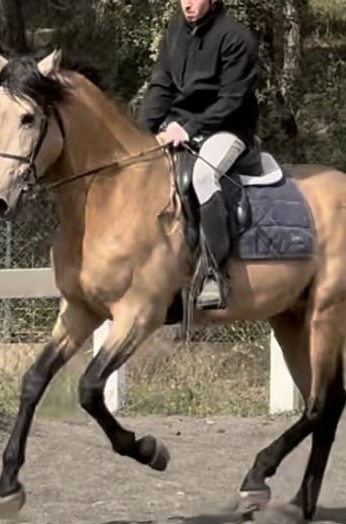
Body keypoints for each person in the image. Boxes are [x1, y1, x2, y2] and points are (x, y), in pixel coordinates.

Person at [137, 0, 260, 310]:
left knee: (204, 176)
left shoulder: (236, 38)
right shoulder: (176, 31)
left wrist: (189, 128)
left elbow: (232, 100)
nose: (187, 3)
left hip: (228, 129)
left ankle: (214, 275)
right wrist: (140, 135)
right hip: (180, 126)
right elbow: (161, 86)